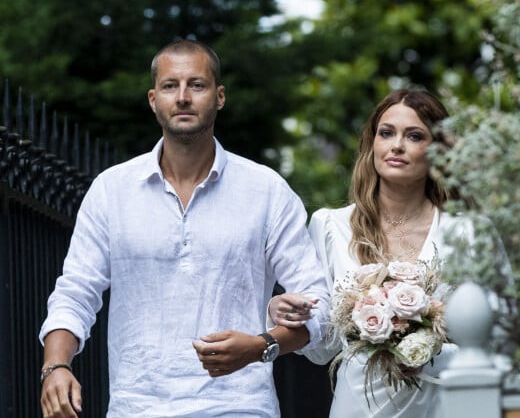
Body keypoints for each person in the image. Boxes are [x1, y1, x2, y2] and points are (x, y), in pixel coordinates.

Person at [39, 39, 330, 418]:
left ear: (219, 96)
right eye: (169, 86)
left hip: (240, 407)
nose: (182, 97)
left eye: (197, 84)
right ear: (152, 99)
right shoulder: (112, 190)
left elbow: (319, 305)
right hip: (137, 407)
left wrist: (260, 345)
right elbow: (75, 292)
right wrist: (55, 366)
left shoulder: (267, 190)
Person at [269, 89, 477, 418]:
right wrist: (287, 312)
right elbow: (322, 348)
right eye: (386, 133)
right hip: (359, 407)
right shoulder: (329, 227)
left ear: (437, 151)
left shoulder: (465, 233)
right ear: (372, 144)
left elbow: (497, 334)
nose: (397, 145)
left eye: (414, 136)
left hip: (443, 405)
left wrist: (426, 344)